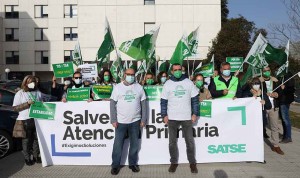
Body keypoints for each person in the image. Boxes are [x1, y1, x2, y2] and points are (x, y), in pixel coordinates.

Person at [161, 63, 199, 174]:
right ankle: (173, 162)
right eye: (175, 70)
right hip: (172, 117)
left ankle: (192, 163)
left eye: (179, 69)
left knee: (190, 142)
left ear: (182, 70)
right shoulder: (167, 84)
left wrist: (195, 113)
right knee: (172, 142)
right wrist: (164, 115)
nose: (177, 71)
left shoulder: (188, 82)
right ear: (171, 72)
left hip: (186, 117)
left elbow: (195, 100)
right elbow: (163, 101)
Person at [110, 68, 147, 175]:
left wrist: (143, 119)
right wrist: (113, 119)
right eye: (128, 74)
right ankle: (115, 165)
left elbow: (144, 103)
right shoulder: (117, 88)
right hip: (120, 122)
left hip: (135, 121)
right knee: (118, 145)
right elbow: (112, 103)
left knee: (135, 144)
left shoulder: (139, 87)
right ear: (124, 74)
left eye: (132, 74)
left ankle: (133, 164)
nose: (131, 76)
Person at [12, 75, 42, 166]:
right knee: (26, 140)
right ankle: (27, 157)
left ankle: (36, 156)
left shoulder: (38, 92)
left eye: (33, 81)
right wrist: (27, 104)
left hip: (36, 119)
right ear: (25, 83)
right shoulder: (20, 93)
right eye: (29, 82)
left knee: (36, 140)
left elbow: (41, 104)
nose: (32, 83)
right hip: (25, 120)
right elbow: (15, 108)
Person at [259, 66, 284, 155]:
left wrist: (275, 94)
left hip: (273, 107)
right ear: (262, 71)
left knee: (274, 126)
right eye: (265, 71)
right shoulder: (259, 80)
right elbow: (254, 90)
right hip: (262, 106)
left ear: (270, 71)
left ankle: (276, 146)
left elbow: (280, 92)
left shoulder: (275, 80)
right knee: (260, 126)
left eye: (268, 70)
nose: (267, 72)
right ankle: (257, 145)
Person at [279, 72, 295, 143]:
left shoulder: (289, 77)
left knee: (285, 119)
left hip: (285, 101)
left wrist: (284, 88)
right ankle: (285, 135)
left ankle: (288, 137)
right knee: (283, 119)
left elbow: (291, 90)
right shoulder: (282, 77)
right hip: (281, 100)